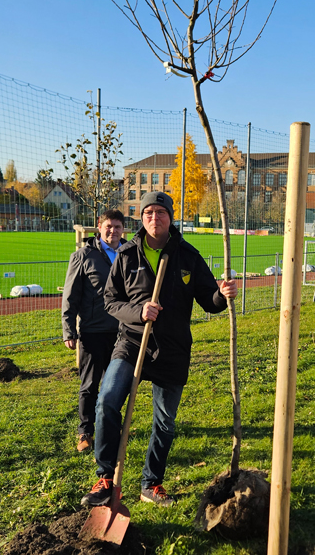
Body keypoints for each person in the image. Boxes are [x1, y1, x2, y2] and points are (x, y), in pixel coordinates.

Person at [80, 191, 237, 507]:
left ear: (170, 217)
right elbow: (111, 301)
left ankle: (151, 483)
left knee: (164, 422)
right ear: (142, 217)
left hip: (172, 348)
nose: (155, 218)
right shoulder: (126, 256)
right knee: (107, 402)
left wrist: (222, 294)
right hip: (131, 342)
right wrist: (138, 313)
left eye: (160, 213)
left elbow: (209, 300)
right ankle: (105, 477)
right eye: (148, 212)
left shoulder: (188, 256)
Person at [62, 210, 126, 452]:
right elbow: (70, 296)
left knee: (118, 385)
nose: (113, 231)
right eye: (108, 226)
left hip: (123, 333)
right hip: (92, 331)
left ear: (123, 230)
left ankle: (112, 428)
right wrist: (69, 330)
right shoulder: (83, 256)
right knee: (89, 385)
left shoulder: (129, 253)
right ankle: (85, 432)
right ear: (99, 227)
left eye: (118, 227)